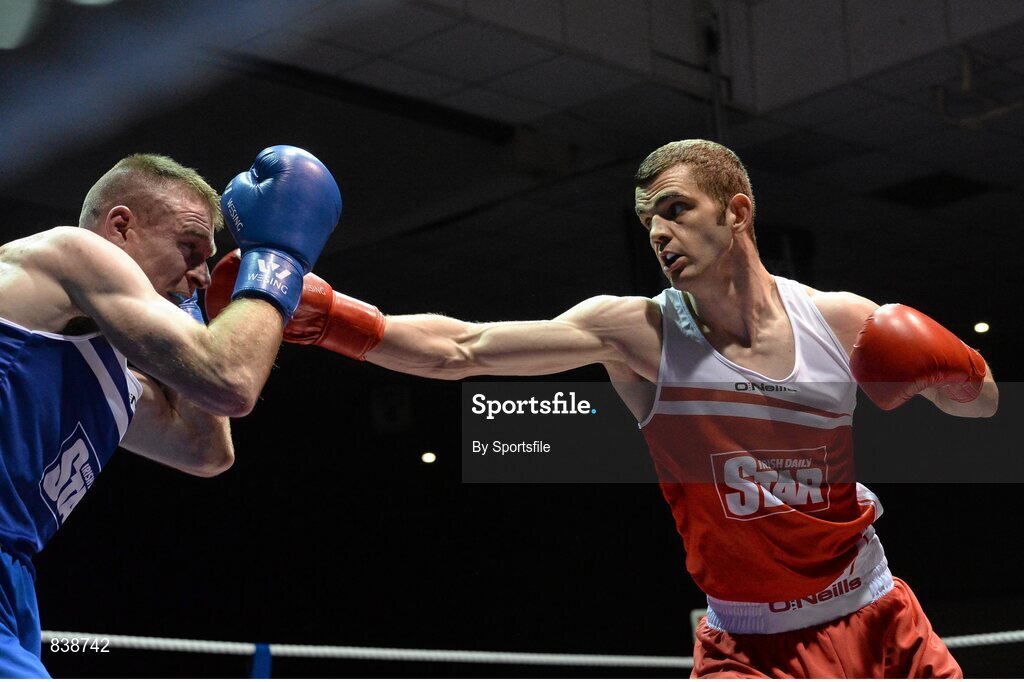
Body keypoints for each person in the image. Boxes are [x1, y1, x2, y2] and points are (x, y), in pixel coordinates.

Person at [209, 139, 998, 677]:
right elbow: (463, 348)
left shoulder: (842, 321)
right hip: (751, 650)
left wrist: (960, 375)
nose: (657, 231)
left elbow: (982, 405)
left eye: (676, 208)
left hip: (877, 614)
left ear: (738, 211)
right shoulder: (639, 333)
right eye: (648, 217)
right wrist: (325, 314)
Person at [0, 145, 341, 677]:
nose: (203, 275)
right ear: (120, 227)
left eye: (209, 258)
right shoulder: (67, 252)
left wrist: (191, 317)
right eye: (189, 247)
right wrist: (277, 261)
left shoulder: (109, 376)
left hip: (14, 583)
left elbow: (205, 451)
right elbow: (230, 381)